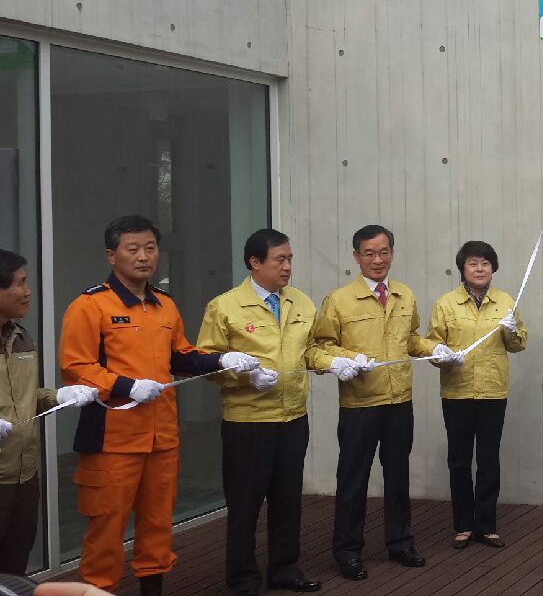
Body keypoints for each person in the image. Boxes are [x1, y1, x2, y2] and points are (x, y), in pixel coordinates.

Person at [59, 216, 261, 595]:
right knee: (106, 526)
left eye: (150, 248)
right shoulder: (90, 306)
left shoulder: (164, 305)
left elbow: (180, 357)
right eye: (133, 249)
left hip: (161, 436)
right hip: (112, 439)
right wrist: (126, 386)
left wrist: (220, 360)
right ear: (111, 255)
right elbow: (76, 366)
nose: (143, 257)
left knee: (157, 524)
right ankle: (97, 590)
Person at [196, 229, 322, 595]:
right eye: (279, 259)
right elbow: (206, 364)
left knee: (287, 499)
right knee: (245, 504)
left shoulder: (300, 302)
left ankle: (284, 569)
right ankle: (243, 578)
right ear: (255, 262)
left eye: (290, 259)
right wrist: (244, 376)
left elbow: (311, 350)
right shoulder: (225, 306)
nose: (288, 267)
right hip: (248, 422)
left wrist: (335, 362)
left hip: (292, 417)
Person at [312, 225, 432, 579]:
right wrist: (347, 359)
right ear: (356, 256)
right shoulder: (339, 300)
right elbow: (320, 347)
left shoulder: (404, 295)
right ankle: (348, 552)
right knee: (353, 479)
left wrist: (436, 349)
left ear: (392, 253)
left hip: (399, 400)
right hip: (359, 404)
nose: (377, 260)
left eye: (383, 252)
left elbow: (411, 339)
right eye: (369, 253)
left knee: (398, 476)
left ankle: (401, 543)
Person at [0, 250, 97, 575]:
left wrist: (59, 396)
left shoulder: (20, 337)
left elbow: (26, 398)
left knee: (14, 568)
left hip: (25, 477)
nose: (28, 291)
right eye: (20, 283)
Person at [426, 241, 527, 550]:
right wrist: (442, 355)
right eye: (473, 263)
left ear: (493, 268)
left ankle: (486, 526)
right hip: (456, 393)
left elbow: (518, 344)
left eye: (485, 263)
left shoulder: (505, 301)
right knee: (459, 461)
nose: (480, 269)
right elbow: (431, 346)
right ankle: (463, 526)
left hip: (493, 392)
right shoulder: (446, 303)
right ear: (462, 268)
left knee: (488, 460)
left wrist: (511, 330)